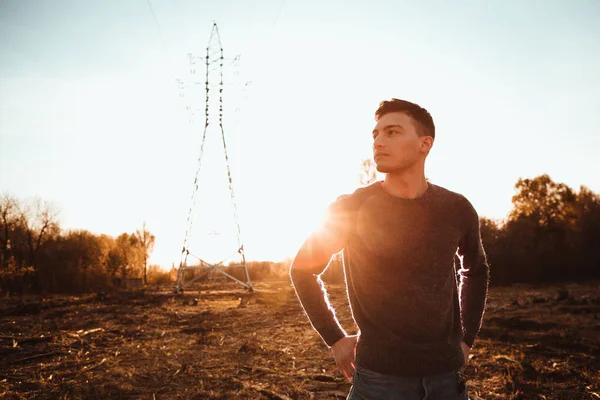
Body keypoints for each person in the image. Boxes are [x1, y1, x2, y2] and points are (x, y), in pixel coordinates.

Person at [289, 99, 489, 399]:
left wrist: (466, 339)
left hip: (447, 380)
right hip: (378, 382)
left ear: (425, 144)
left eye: (392, 132)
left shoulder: (457, 209)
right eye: (376, 135)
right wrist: (335, 338)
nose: (379, 142)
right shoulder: (351, 207)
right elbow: (303, 270)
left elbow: (475, 269)